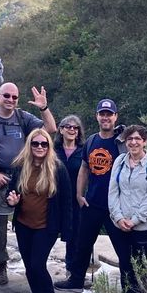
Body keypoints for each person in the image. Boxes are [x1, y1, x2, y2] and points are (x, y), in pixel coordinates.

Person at [0, 81, 56, 285]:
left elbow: (50, 129)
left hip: (23, 175)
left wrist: (43, 107)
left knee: (28, 217)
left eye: (14, 97)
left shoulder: (23, 117)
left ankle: (33, 264)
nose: (11, 100)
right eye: (6, 96)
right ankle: (0, 265)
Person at [54, 99, 124, 290]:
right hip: (92, 202)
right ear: (97, 116)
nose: (105, 117)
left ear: (115, 117)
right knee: (82, 244)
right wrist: (79, 194)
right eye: (102, 114)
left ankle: (130, 288)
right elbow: (84, 168)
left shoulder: (122, 142)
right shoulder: (92, 140)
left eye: (109, 114)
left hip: (115, 205)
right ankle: (76, 279)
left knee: (123, 249)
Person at [6, 129, 73, 293]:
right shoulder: (20, 167)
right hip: (23, 224)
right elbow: (11, 193)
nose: (40, 147)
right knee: (29, 267)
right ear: (29, 145)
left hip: (47, 225)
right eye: (35, 143)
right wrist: (11, 200)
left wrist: (66, 231)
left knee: (37, 264)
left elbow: (67, 202)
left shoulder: (57, 168)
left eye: (44, 144)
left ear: (49, 147)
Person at [107, 124, 147, 293]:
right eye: (129, 139)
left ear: (145, 141)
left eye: (137, 138)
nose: (133, 142)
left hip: (145, 225)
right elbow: (113, 191)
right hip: (121, 222)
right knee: (125, 261)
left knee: (143, 263)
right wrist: (118, 217)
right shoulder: (119, 161)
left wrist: (135, 220)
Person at [55, 114, 86, 274]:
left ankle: (71, 270)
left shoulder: (84, 151)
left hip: (76, 199)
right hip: (54, 199)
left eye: (75, 128)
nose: (72, 130)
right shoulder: (53, 150)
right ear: (61, 130)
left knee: (75, 236)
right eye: (68, 126)